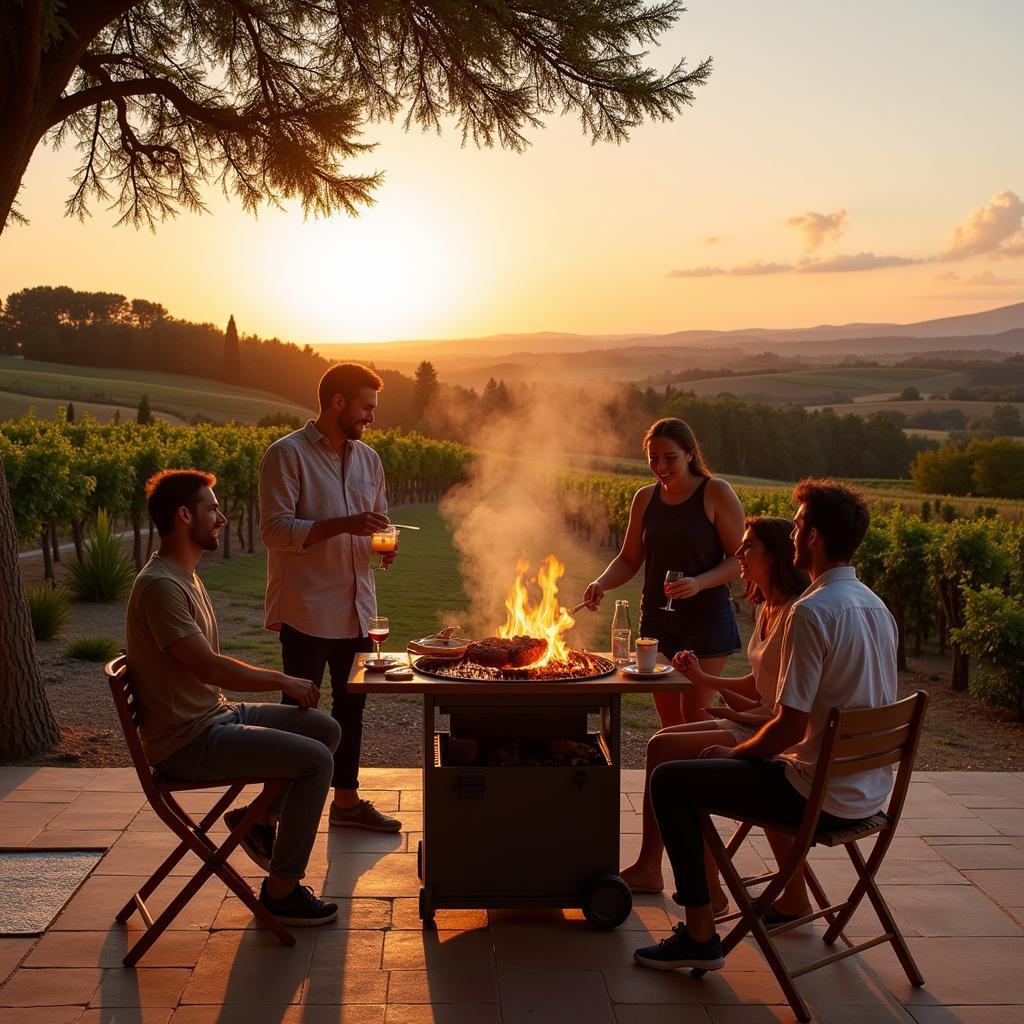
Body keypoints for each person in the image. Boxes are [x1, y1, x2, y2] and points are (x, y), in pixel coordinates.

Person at [633, 479, 898, 972]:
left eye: (797, 526)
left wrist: (731, 754)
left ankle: (699, 933)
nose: (793, 533)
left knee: (673, 780)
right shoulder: (876, 606)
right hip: (867, 791)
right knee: (695, 761)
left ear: (813, 537)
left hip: (817, 794)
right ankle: (784, 899)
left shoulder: (811, 612)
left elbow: (787, 731)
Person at [125, 469, 341, 926]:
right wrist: (283, 680)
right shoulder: (162, 586)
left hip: (212, 717)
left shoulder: (183, 576)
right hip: (189, 741)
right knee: (316, 761)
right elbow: (207, 667)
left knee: (324, 728)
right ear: (185, 516)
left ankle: (260, 821)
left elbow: (206, 671)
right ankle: (281, 892)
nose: (221, 518)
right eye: (212, 509)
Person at [620, 516, 809, 902]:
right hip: (761, 718)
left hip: (772, 730)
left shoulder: (795, 614)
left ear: (774, 557)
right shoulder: (767, 607)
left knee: (666, 753)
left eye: (748, 547)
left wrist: (719, 695)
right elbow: (759, 685)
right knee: (661, 740)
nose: (737, 555)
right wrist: (706, 679)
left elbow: (776, 703)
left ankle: (704, 887)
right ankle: (655, 867)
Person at [259, 362, 402, 832]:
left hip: (356, 607)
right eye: (366, 407)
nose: (372, 417)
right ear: (337, 403)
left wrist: (380, 546)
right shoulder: (286, 455)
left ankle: (346, 803)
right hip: (307, 608)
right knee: (297, 711)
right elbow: (276, 531)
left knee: (352, 708)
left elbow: (374, 521)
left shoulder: (370, 459)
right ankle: (271, 812)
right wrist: (345, 524)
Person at [583, 417, 745, 725]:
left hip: (706, 620)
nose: (660, 466)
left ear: (690, 454)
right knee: (670, 722)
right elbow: (629, 559)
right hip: (657, 622)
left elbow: (740, 558)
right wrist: (600, 583)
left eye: (669, 458)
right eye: (653, 459)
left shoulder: (715, 493)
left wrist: (699, 582)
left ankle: (698, 772)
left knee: (693, 721)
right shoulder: (645, 498)